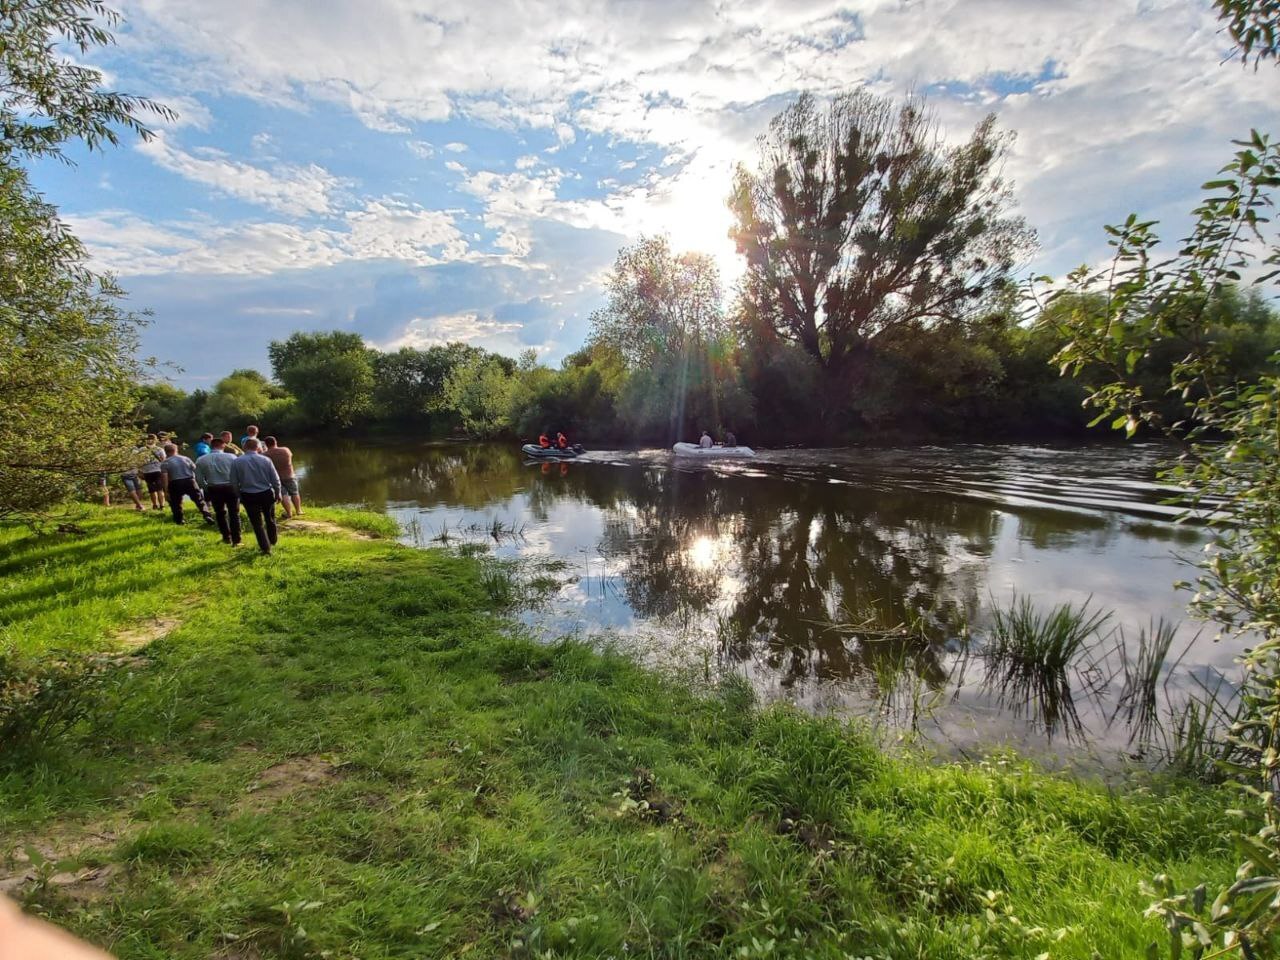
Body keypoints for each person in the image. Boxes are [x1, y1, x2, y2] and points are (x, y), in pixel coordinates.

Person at [231, 438, 282, 555]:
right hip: (266, 493)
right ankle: (273, 541)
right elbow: (275, 479)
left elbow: (233, 482)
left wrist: (239, 495)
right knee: (270, 519)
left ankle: (265, 548)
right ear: (258, 447)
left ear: (244, 448)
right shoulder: (266, 460)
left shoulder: (236, 461)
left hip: (248, 495)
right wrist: (278, 492)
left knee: (257, 523)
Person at [195, 437, 241, 546]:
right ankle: (237, 540)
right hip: (230, 487)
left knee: (220, 513)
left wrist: (206, 488)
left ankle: (226, 537)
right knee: (234, 513)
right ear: (223, 445)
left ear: (211, 446)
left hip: (214, 488)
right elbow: (238, 474)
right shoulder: (232, 457)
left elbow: (199, 479)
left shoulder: (201, 460)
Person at [159, 443, 213, 525]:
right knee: (199, 500)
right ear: (176, 450)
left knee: (176, 503)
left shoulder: (165, 463)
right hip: (190, 481)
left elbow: (164, 477)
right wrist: (197, 481)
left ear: (166, 452)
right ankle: (206, 515)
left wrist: (166, 490)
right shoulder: (186, 458)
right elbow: (195, 469)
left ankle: (180, 521)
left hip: (175, 483)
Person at [262, 436, 301, 519]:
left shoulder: (265, 454)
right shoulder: (285, 450)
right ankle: (298, 511)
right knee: (294, 493)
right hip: (289, 475)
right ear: (275, 441)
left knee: (283, 495)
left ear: (266, 444)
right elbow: (291, 456)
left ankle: (289, 513)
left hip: (276, 478)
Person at [139, 434, 166, 509]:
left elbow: (139, 461)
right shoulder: (159, 449)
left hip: (147, 471)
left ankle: (155, 505)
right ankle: (162, 505)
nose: (150, 440)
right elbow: (163, 461)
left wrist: (140, 471)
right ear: (156, 440)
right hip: (158, 471)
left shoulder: (141, 450)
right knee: (159, 489)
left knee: (151, 489)